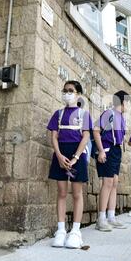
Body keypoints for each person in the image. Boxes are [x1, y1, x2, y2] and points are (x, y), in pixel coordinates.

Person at [47, 81, 93, 249]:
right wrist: (59, 156)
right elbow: (54, 137)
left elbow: (86, 137)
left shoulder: (84, 114)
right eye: (65, 90)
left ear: (78, 94)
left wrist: (75, 158)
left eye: (71, 91)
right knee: (61, 192)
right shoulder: (58, 114)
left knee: (76, 193)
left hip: (77, 154)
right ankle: (60, 231)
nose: (67, 93)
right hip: (61, 153)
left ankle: (75, 231)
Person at [94, 91, 130, 232]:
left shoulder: (121, 117)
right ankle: (101, 219)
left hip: (116, 151)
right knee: (107, 183)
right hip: (107, 149)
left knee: (114, 183)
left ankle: (111, 217)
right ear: (121, 101)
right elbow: (96, 131)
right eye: (127, 102)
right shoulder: (109, 113)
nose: (128, 105)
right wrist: (101, 150)